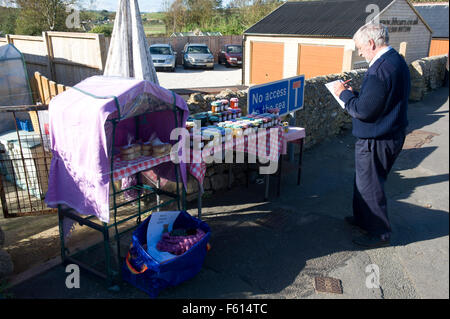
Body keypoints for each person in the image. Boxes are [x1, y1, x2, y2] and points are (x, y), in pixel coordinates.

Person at [333, 23, 410, 248]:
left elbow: (363, 111)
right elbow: (379, 100)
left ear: (372, 43)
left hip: (377, 138)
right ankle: (362, 220)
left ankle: (379, 233)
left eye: (360, 47)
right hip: (390, 133)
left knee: (370, 186)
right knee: (364, 182)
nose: (359, 52)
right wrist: (355, 93)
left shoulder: (379, 69)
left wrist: (343, 94)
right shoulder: (394, 60)